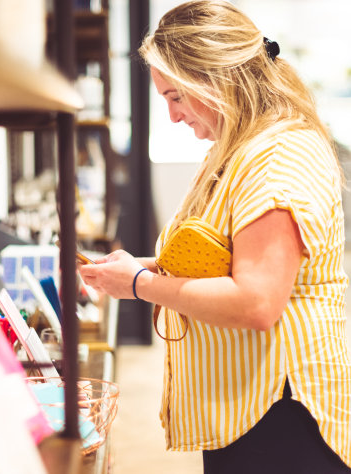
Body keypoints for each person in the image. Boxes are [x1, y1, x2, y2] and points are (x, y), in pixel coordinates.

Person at [78, 1, 351, 472]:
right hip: (248, 406)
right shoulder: (239, 147)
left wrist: (141, 285)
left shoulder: (277, 154)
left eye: (176, 96)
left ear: (216, 79)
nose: (172, 116)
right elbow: (222, 260)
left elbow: (256, 302)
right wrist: (138, 268)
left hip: (282, 411)